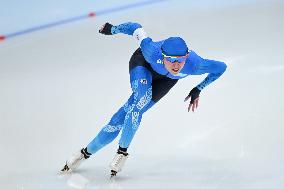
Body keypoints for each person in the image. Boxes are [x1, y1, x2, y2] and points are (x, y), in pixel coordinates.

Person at [60, 22, 227, 177]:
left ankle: (84, 153)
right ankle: (122, 152)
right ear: (163, 55)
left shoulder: (196, 64)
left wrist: (198, 88)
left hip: (166, 81)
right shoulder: (151, 50)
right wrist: (112, 29)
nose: (176, 66)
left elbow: (221, 68)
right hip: (143, 65)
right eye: (171, 60)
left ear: (187, 56)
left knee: (123, 117)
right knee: (142, 98)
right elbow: (136, 28)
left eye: (180, 60)